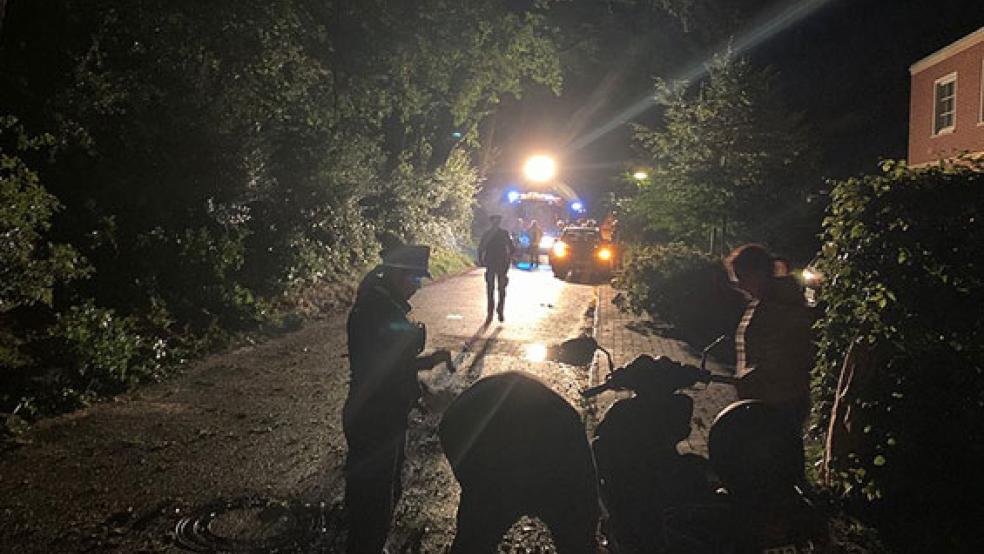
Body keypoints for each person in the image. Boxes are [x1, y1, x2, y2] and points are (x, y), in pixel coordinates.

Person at [343, 244, 453, 554]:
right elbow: (387, 366)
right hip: (375, 417)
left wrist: (427, 363)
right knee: (373, 501)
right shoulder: (380, 311)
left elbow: (390, 363)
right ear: (395, 275)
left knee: (377, 493)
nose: (417, 288)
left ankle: (365, 542)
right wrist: (423, 387)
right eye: (414, 280)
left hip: (377, 413)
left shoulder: (378, 303)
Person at [724, 244, 816, 472]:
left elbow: (785, 353)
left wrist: (752, 376)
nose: (739, 284)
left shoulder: (780, 305)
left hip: (779, 400)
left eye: (742, 277)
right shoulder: (767, 301)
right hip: (769, 398)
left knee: (777, 464)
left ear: (758, 273)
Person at [477, 215, 515, 322]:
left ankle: (492, 311)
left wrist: (481, 260)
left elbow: (481, 248)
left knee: (492, 289)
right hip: (500, 263)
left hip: (493, 263)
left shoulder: (488, 234)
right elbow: (512, 248)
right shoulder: (504, 234)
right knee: (499, 289)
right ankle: (498, 310)